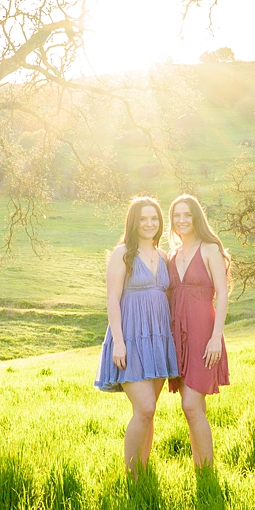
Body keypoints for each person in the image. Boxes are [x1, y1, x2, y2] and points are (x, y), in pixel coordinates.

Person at [93, 195, 180, 472]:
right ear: (133, 221)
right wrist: (118, 342)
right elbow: (112, 299)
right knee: (144, 410)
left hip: (157, 340)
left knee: (148, 413)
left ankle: (143, 471)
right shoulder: (123, 253)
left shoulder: (165, 257)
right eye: (143, 218)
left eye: (153, 218)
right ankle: (132, 477)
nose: (149, 223)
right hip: (130, 338)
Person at [165, 193, 231, 467]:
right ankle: (201, 470)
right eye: (176, 216)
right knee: (195, 408)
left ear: (196, 217)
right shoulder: (172, 254)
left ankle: (206, 472)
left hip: (204, 336)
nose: (181, 220)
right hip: (178, 337)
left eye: (186, 214)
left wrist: (216, 337)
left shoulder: (209, 248)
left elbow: (223, 294)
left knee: (190, 406)